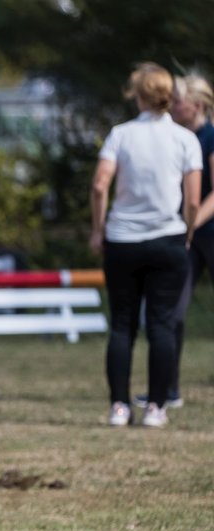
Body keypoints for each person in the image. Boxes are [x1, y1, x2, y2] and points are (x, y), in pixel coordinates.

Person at [90, 62, 202, 428]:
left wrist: (98, 228)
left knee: (122, 325)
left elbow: (99, 185)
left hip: (122, 240)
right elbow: (193, 198)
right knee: (162, 326)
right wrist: (186, 229)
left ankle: (119, 406)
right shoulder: (185, 140)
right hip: (167, 238)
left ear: (137, 95)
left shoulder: (120, 135)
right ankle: (156, 407)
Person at [157, 73, 214, 409]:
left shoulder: (210, 137)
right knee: (172, 312)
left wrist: (192, 225)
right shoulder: (175, 138)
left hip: (203, 231)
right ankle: (168, 390)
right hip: (186, 234)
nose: (173, 105)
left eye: (178, 100)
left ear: (197, 104)